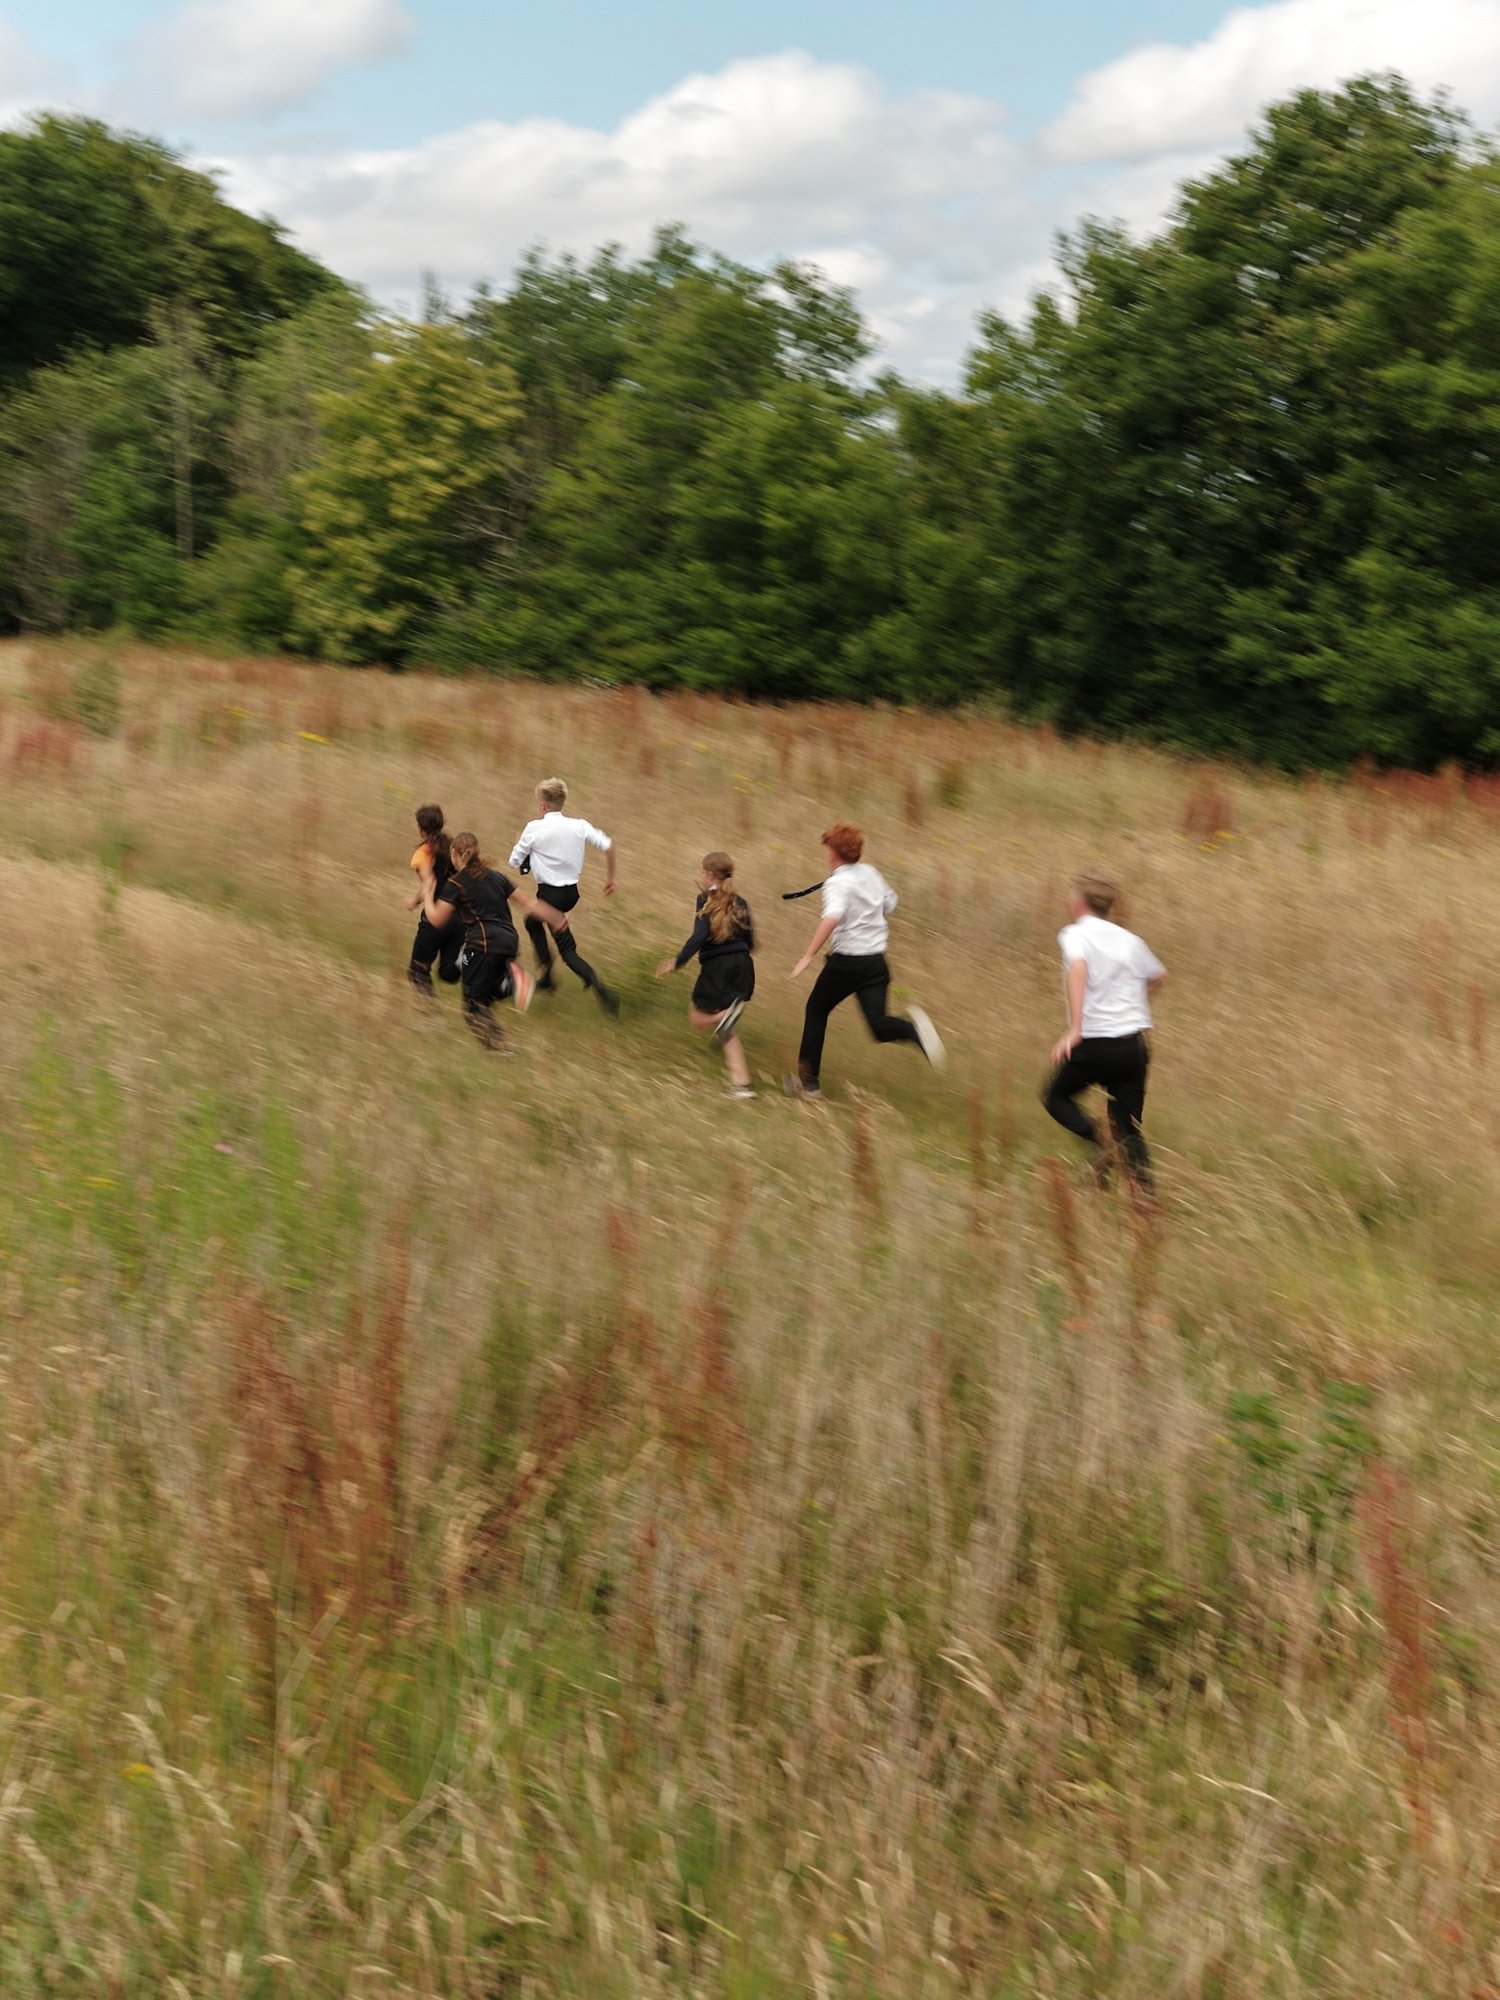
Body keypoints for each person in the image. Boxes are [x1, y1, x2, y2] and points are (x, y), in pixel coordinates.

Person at [786, 822, 945, 1099]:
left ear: (834, 852)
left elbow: (832, 918)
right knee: (878, 1025)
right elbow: (890, 904)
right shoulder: (870, 872)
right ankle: (912, 1030)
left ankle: (808, 1085)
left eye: (828, 849)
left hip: (846, 963)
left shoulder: (836, 884)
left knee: (816, 1011)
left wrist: (808, 955)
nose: (826, 855)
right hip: (875, 963)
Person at [1042, 873, 1166, 1191]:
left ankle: (1102, 1143)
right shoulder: (1130, 940)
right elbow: (1157, 977)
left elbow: (1079, 967)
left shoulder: (1075, 934)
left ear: (1078, 904)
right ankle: (1146, 1202)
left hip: (1095, 1044)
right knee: (1128, 1127)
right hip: (1133, 1046)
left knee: (1056, 1097)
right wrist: (1131, 1001)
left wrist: (1075, 1029)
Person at [509, 777, 620, 1015]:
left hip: (549, 897)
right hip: (570, 894)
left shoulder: (534, 828)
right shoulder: (579, 825)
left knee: (555, 941)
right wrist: (611, 879)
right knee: (535, 924)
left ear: (542, 805)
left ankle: (556, 979)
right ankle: (566, 979)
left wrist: (525, 848)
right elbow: (609, 846)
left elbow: (513, 861)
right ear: (562, 801)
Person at [656, 851, 757, 1099]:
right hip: (743, 965)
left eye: (703, 871)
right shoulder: (740, 901)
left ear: (710, 873)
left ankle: (725, 1014)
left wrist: (677, 961)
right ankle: (741, 1085)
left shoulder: (705, 899)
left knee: (698, 1019)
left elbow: (699, 936)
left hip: (718, 968)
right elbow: (751, 940)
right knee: (726, 1030)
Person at [420, 832, 534, 1049]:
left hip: (482, 944)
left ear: (454, 854)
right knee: (483, 1001)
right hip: (509, 942)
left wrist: (427, 893)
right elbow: (525, 902)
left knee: (472, 1008)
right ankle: (511, 982)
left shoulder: (457, 883)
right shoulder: (496, 876)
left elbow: (436, 919)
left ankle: (500, 1050)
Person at [405, 803, 462, 992]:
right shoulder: (455, 847)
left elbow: (429, 882)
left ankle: (429, 1016)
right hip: (460, 918)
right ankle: (469, 957)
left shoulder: (423, 853)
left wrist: (414, 901)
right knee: (447, 972)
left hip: (436, 916)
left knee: (417, 970)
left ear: (420, 829)